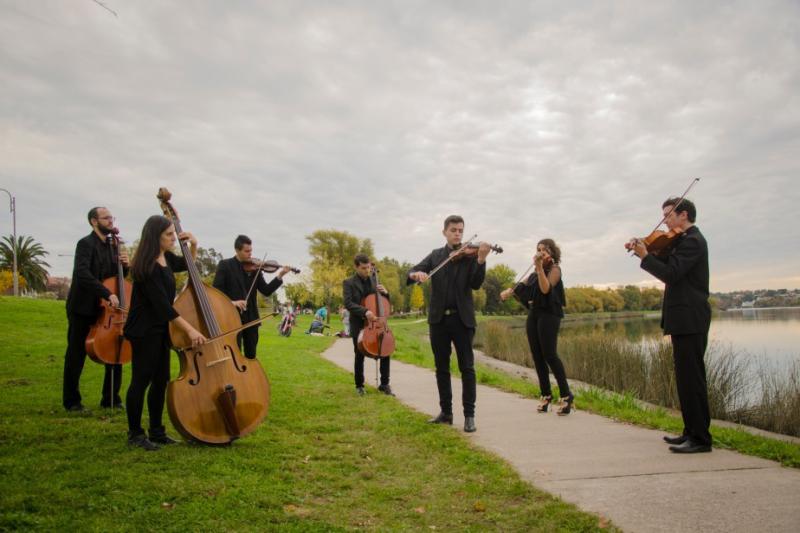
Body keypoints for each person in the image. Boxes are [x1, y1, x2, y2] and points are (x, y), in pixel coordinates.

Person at [626, 197, 712, 454]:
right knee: (685, 380)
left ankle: (700, 439)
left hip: (691, 318)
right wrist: (645, 248)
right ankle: (691, 431)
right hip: (683, 319)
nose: (665, 220)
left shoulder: (694, 241)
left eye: (668, 215)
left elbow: (671, 274)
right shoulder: (681, 241)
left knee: (692, 379)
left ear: (683, 215)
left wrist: (644, 255)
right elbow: (666, 263)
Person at [123, 215, 207, 451]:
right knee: (141, 380)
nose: (173, 238)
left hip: (162, 328)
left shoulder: (166, 257)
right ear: (155, 236)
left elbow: (187, 266)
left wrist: (193, 245)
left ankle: (157, 431)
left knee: (160, 381)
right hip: (144, 329)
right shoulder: (146, 265)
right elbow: (163, 306)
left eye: (173, 233)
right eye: (168, 234)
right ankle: (135, 434)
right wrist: (190, 330)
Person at [407, 215, 490, 433]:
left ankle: (469, 416)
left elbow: (475, 284)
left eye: (461, 230)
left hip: (462, 320)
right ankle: (446, 412)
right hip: (438, 320)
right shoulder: (436, 256)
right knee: (441, 367)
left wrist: (481, 260)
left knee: (467, 368)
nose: (458, 234)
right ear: (444, 231)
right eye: (453, 230)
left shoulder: (471, 257)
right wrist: (417, 274)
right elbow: (411, 272)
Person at [63, 206, 129, 412]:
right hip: (83, 307)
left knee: (115, 349)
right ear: (94, 221)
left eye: (112, 217)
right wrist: (106, 293)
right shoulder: (85, 244)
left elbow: (117, 279)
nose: (111, 221)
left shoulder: (114, 246)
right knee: (76, 353)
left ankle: (111, 398)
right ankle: (72, 401)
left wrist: (125, 266)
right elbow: (82, 274)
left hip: (108, 310)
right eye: (106, 218)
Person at [501, 239, 573, 414]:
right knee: (537, 356)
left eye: (545, 250)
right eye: (538, 250)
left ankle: (566, 395)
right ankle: (545, 395)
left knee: (550, 354)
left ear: (552, 253)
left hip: (550, 313)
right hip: (534, 313)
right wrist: (509, 291)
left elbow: (546, 288)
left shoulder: (555, 270)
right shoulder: (533, 274)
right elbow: (520, 286)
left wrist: (540, 268)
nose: (541, 253)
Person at [212, 235, 291, 359]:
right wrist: (232, 302)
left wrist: (280, 275)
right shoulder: (225, 265)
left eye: (251, 251)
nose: (250, 254)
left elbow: (266, 290)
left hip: (251, 319)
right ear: (237, 250)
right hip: (231, 317)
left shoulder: (256, 268)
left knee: (251, 355)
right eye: (247, 251)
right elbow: (216, 292)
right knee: (234, 354)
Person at [343, 254, 393, 396]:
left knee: (385, 351)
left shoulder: (374, 281)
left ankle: (384, 384)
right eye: (364, 268)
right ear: (356, 267)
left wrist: (386, 293)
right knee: (359, 354)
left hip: (376, 323)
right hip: (359, 323)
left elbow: (383, 303)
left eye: (369, 268)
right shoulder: (349, 282)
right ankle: (359, 385)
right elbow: (348, 303)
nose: (367, 271)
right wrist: (365, 311)